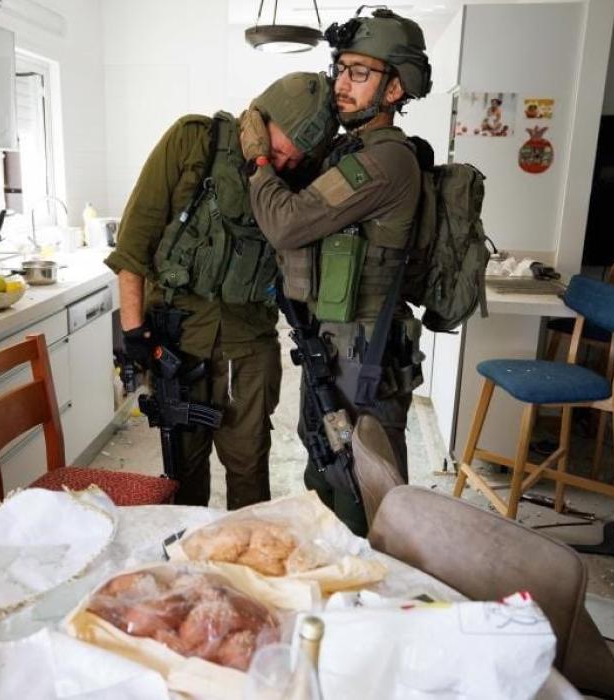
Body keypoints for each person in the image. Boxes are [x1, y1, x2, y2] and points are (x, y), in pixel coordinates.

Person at [105, 72, 338, 509]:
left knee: (249, 471)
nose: (285, 166)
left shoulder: (298, 177)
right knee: (183, 474)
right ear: (260, 120)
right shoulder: (194, 141)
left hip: (248, 347)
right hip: (178, 344)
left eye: (297, 159)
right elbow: (134, 245)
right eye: (282, 151)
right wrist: (135, 335)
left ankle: (245, 571)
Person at [239, 8, 433, 534]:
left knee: (368, 491)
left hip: (362, 357)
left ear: (395, 90)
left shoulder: (385, 160)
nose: (342, 85)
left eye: (361, 73)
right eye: (341, 69)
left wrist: (260, 162)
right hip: (335, 345)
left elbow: (286, 223)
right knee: (326, 471)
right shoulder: (351, 149)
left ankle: (378, 598)